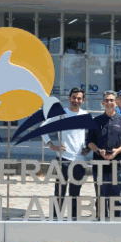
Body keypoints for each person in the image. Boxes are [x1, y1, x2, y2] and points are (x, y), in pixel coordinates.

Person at [85, 91, 121, 219]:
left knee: (116, 199)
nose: (109, 102)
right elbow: (89, 141)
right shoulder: (95, 121)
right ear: (102, 103)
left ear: (116, 102)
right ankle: (100, 228)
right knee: (100, 198)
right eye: (106, 100)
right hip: (99, 167)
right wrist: (98, 151)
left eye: (112, 100)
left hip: (117, 167)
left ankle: (116, 226)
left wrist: (117, 151)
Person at [47, 86, 88, 219]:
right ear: (69, 98)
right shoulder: (61, 113)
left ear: (83, 100)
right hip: (62, 159)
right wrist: (51, 145)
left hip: (79, 160)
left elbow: (91, 135)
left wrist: (87, 148)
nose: (76, 100)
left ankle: (73, 219)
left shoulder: (85, 115)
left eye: (79, 98)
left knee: (75, 193)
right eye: (74, 97)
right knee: (59, 192)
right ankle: (55, 219)